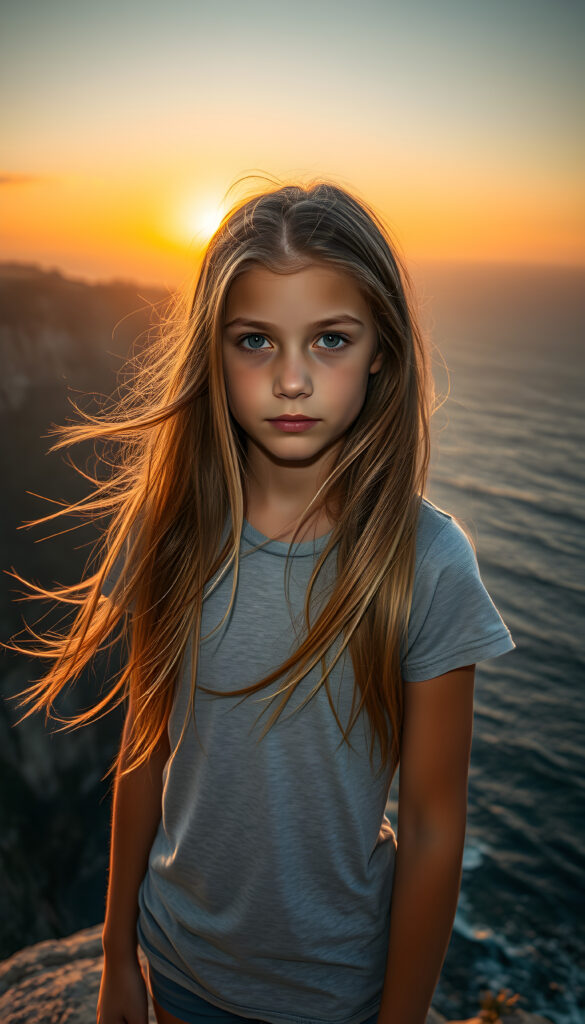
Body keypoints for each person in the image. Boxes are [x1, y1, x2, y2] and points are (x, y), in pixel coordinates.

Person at [4, 176, 515, 1024]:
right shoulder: (174, 532)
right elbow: (145, 746)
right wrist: (118, 956)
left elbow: (431, 825)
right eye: (254, 341)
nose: (290, 379)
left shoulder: (426, 562)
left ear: (381, 349)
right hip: (179, 970)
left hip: (337, 993)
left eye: (329, 340)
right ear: (214, 350)